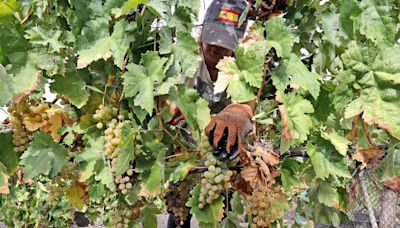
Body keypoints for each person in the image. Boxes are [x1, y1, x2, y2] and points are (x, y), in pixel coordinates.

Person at [167, 0, 255, 227]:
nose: (218, 49)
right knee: (179, 212)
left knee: (221, 209)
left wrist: (242, 110)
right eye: (212, 40)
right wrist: (172, 106)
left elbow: (248, 99)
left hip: (223, 153)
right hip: (186, 148)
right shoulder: (188, 60)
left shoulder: (240, 66)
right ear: (201, 36)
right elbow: (171, 96)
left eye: (226, 44)